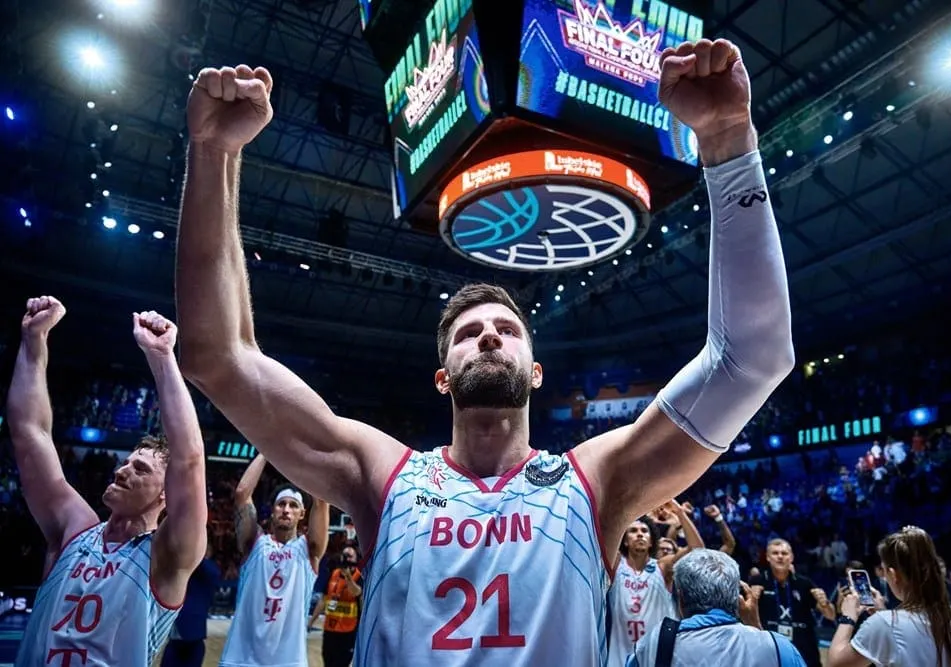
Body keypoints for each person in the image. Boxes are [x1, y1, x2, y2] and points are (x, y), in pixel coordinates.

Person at [175, 37, 795, 666]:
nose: (491, 335)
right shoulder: (382, 475)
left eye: (508, 329)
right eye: (469, 334)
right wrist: (213, 152)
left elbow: (753, 358)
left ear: (536, 373)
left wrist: (728, 139)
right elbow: (217, 356)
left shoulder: (596, 481)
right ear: (443, 378)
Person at [7, 298, 207, 666]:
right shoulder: (74, 528)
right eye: (125, 462)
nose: (121, 470)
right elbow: (29, 433)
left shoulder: (168, 554)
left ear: (166, 494)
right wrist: (34, 340)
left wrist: (162, 358)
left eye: (140, 469)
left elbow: (190, 458)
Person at [218, 454, 329, 667]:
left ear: (302, 514)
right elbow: (242, 494)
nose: (286, 510)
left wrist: (311, 454)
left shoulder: (308, 550)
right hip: (240, 659)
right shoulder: (254, 542)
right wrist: (267, 450)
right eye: (281, 504)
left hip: (288, 662)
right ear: (272, 511)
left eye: (293, 506)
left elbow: (322, 500)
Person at [826, 526, 951, 667]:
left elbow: (835, 664)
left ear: (893, 575)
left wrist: (848, 617)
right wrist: (882, 613)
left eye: (885, 570)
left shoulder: (883, 624)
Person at [626, 549, 805, 666]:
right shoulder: (779, 647)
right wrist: (755, 626)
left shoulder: (652, 645)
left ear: (680, 598)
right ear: (737, 597)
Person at [608, 504, 703, 667]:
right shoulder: (615, 565)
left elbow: (697, 550)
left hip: (656, 658)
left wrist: (680, 513)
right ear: (625, 541)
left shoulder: (663, 567)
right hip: (619, 659)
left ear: (652, 541)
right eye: (633, 531)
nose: (639, 534)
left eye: (644, 531)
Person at [749, 539, 836, 667]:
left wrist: (825, 603)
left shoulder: (804, 583)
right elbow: (743, 617)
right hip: (769, 654)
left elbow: (831, 615)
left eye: (784, 553)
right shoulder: (757, 582)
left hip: (803, 653)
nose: (780, 556)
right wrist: (751, 600)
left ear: (791, 557)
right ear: (767, 557)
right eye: (775, 553)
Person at [161, 540, 223, 667]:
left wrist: (195, 553)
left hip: (192, 636)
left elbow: (213, 573)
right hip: (179, 635)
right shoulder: (186, 571)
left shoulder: (208, 571)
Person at [310, 545, 363, 667]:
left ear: (356, 558)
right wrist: (312, 621)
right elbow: (323, 600)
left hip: (348, 632)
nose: (346, 559)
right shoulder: (333, 574)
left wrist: (348, 576)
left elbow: (357, 592)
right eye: (344, 556)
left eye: (349, 556)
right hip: (330, 629)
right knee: (327, 662)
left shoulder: (358, 576)